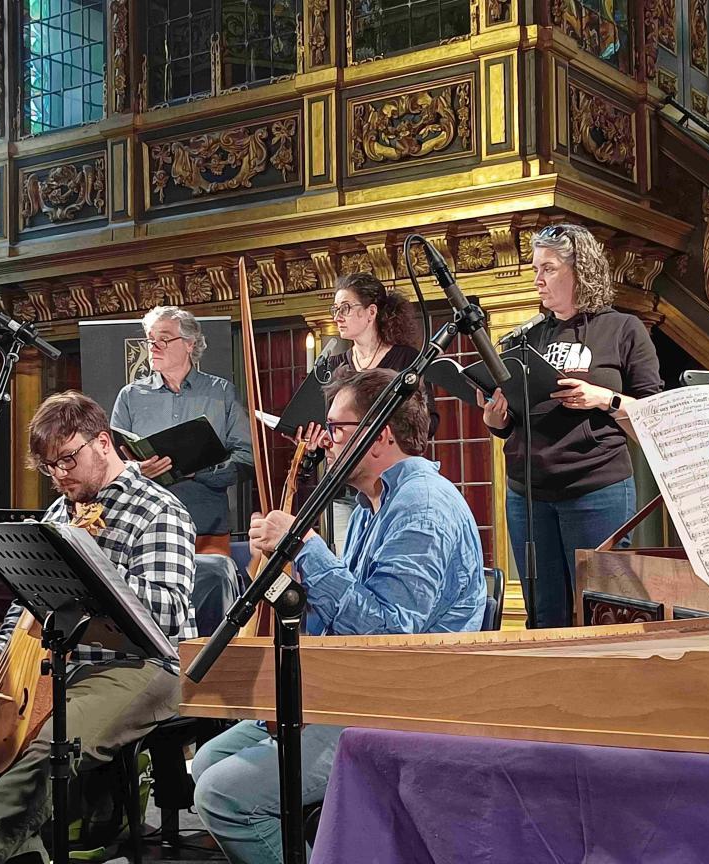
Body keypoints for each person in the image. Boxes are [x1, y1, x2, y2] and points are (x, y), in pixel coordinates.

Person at [191, 367, 486, 864]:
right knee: (206, 762)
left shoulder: (422, 507)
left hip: (401, 704)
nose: (325, 439)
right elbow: (340, 614)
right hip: (357, 688)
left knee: (222, 795)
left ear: (379, 437)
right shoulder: (371, 505)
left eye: (337, 428)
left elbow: (387, 633)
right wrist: (285, 573)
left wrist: (306, 547)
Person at [0, 391, 197, 864]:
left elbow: (170, 613)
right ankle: (23, 852)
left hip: (145, 665)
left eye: (67, 460)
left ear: (103, 442)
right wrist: (0, 652)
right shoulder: (60, 512)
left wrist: (98, 569)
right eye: (49, 467)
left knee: (49, 743)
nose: (59, 475)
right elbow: (27, 602)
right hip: (59, 663)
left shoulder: (159, 509)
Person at [483, 223, 663, 629]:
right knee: (545, 616)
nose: (538, 280)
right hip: (529, 494)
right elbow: (517, 417)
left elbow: (654, 416)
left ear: (579, 269)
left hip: (596, 488)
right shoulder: (524, 338)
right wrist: (498, 421)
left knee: (601, 614)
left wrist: (603, 398)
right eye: (535, 269)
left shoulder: (622, 329)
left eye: (548, 268)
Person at [111, 305, 254, 554]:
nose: (153, 347)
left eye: (164, 339)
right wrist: (137, 470)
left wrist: (198, 472)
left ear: (190, 343)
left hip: (206, 526)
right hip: (145, 526)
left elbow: (246, 458)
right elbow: (110, 464)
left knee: (210, 590)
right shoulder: (130, 397)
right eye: (150, 340)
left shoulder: (221, 392)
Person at [310, 272, 424, 546]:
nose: (338, 316)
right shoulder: (335, 365)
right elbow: (329, 424)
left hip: (390, 482)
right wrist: (318, 439)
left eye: (346, 308)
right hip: (344, 485)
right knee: (348, 560)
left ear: (371, 312)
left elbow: (424, 421)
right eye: (335, 309)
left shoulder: (405, 359)